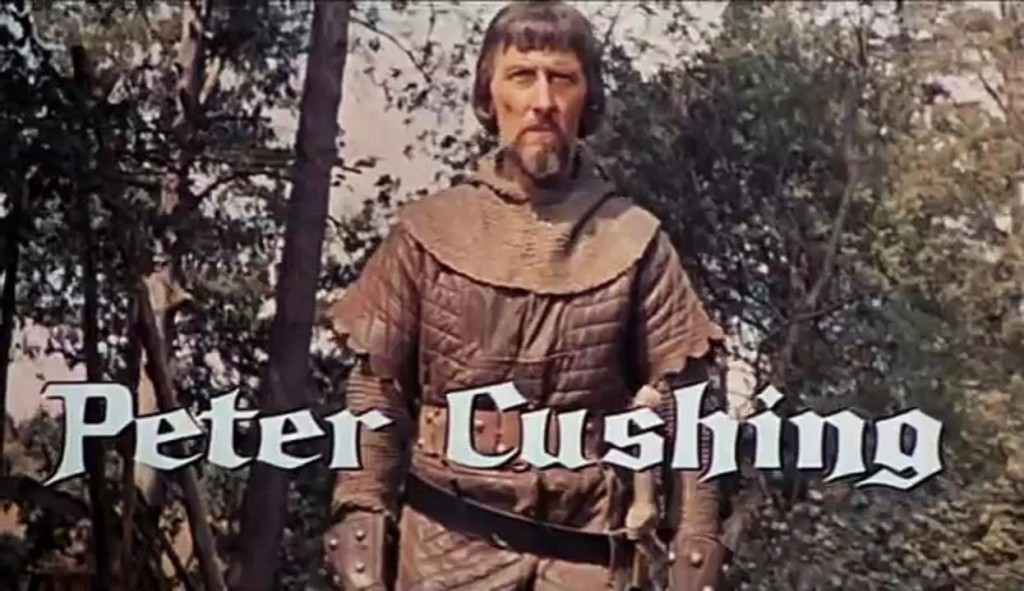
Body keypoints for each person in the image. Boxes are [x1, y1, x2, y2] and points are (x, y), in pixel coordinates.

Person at [323, 2, 731, 589]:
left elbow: (691, 411)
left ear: (587, 99)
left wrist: (695, 547)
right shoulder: (427, 234)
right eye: (521, 76)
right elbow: (375, 400)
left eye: (561, 79)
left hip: (588, 554)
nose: (542, 100)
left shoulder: (636, 241)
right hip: (444, 551)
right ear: (490, 96)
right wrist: (362, 529)